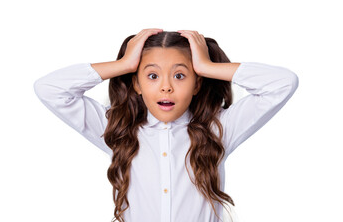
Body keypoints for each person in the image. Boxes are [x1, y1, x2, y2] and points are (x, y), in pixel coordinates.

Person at [33, 28, 299, 222]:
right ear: (136, 84)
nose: (166, 86)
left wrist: (208, 66)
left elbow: (282, 84)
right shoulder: (118, 130)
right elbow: (49, 90)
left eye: (180, 75)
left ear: (197, 83)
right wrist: (123, 64)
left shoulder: (219, 129)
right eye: (152, 75)